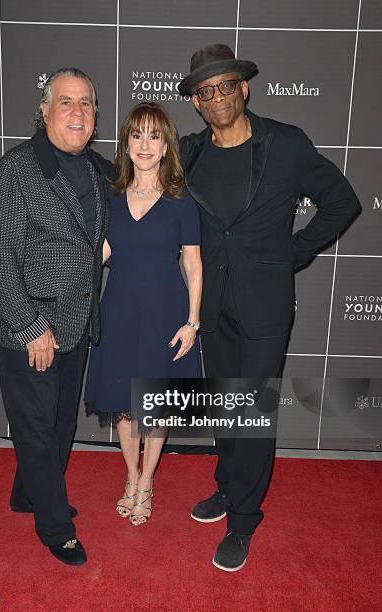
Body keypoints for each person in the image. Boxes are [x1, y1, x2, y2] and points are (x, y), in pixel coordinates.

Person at [178, 44, 361, 572]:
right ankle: (228, 487)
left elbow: (342, 201)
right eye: (205, 91)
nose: (217, 98)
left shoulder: (284, 143)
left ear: (244, 88)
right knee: (224, 405)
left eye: (225, 87)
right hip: (212, 305)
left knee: (252, 413)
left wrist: (292, 255)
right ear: (195, 101)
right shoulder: (187, 152)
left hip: (265, 305)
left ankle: (242, 521)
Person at [0, 68, 113, 565]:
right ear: (44, 110)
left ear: (95, 116)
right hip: (30, 330)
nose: (77, 112)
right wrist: (31, 328)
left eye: (86, 104)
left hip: (77, 324)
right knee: (37, 430)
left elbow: (95, 235)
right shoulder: (14, 172)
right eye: (65, 102)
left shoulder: (98, 170)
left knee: (59, 427)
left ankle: (27, 494)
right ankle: (55, 527)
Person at [85, 102, 202, 525]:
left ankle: (148, 481)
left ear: (167, 144)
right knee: (123, 404)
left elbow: (192, 263)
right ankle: (131, 476)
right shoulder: (111, 199)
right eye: (137, 135)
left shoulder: (180, 202)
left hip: (164, 315)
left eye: (155, 136)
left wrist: (192, 322)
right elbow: (101, 254)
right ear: (126, 144)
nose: (145, 144)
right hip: (118, 312)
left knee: (154, 404)